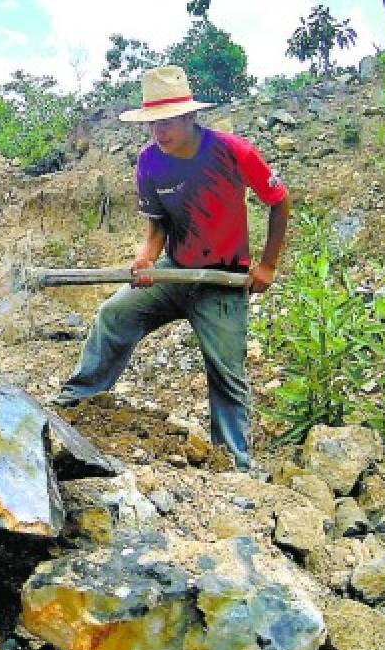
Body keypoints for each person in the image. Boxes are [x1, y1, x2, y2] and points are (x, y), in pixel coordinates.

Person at [50, 65, 290, 473]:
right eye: (152, 125)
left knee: (227, 374)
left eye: (167, 123)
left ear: (190, 116)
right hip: (174, 272)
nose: (159, 133)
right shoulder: (149, 163)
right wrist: (146, 257)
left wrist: (267, 264)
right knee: (113, 315)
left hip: (222, 282)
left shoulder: (233, 152)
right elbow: (158, 224)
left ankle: (234, 467)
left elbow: (279, 201)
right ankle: (72, 410)